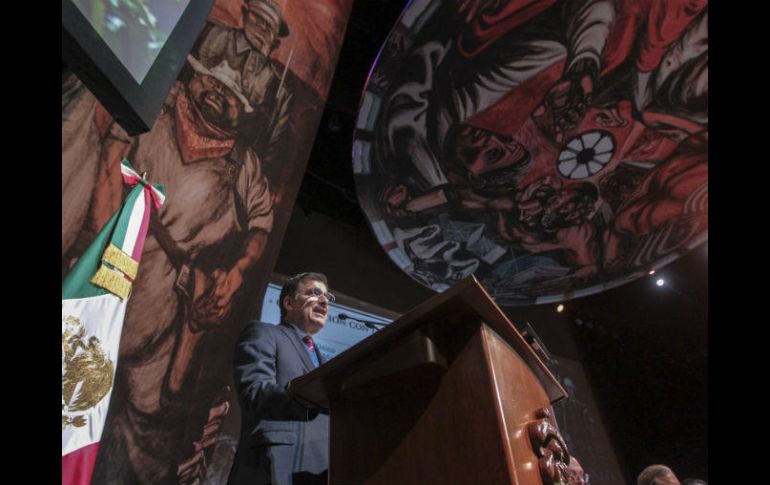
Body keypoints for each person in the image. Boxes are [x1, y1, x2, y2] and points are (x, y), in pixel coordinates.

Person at [82, 52, 275, 484]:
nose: (219, 95)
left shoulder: (244, 165)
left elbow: (261, 224)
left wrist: (239, 270)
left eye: (232, 95)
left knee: (147, 431)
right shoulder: (158, 105)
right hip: (109, 275)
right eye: (214, 82)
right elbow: (110, 156)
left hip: (167, 317)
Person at [228, 272, 332, 484]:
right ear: (288, 303)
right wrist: (310, 397)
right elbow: (255, 392)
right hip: (274, 466)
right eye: (314, 293)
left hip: (321, 472)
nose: (324, 301)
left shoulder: (323, 360)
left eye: (327, 298)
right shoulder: (264, 333)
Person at [194, 0, 293, 167]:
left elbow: (270, 156)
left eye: (270, 26)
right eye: (258, 17)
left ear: (276, 40)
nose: (262, 26)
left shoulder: (279, 91)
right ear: (244, 13)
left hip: (226, 165)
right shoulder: (209, 32)